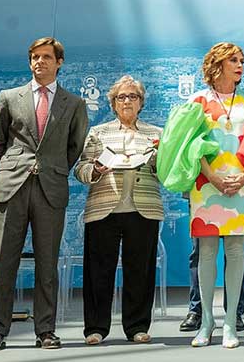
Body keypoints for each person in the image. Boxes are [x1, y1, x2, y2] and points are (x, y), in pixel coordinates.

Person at [158, 42, 244, 348]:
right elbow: (192, 147)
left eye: (242, 60)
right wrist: (213, 178)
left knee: (235, 251)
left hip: (241, 185)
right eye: (234, 60)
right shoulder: (197, 102)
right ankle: (206, 321)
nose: (240, 65)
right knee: (205, 252)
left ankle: (231, 323)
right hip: (206, 186)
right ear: (217, 64)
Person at [0, 37, 89, 352]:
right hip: (13, 185)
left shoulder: (74, 104)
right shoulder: (9, 97)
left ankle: (46, 330)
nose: (39, 62)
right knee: (4, 263)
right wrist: (16, 165)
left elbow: (75, 147)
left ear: (59, 62)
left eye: (46, 57)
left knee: (47, 264)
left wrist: (53, 168)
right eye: (34, 57)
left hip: (50, 189)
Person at [74, 75, 163, 344]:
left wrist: (159, 158)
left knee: (141, 271)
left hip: (143, 208)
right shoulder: (98, 133)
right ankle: (95, 328)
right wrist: (96, 171)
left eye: (132, 97)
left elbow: (166, 172)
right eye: (121, 97)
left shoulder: (156, 134)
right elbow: (81, 168)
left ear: (141, 103)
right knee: (98, 271)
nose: (127, 101)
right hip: (103, 209)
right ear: (113, 104)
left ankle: (137, 327)